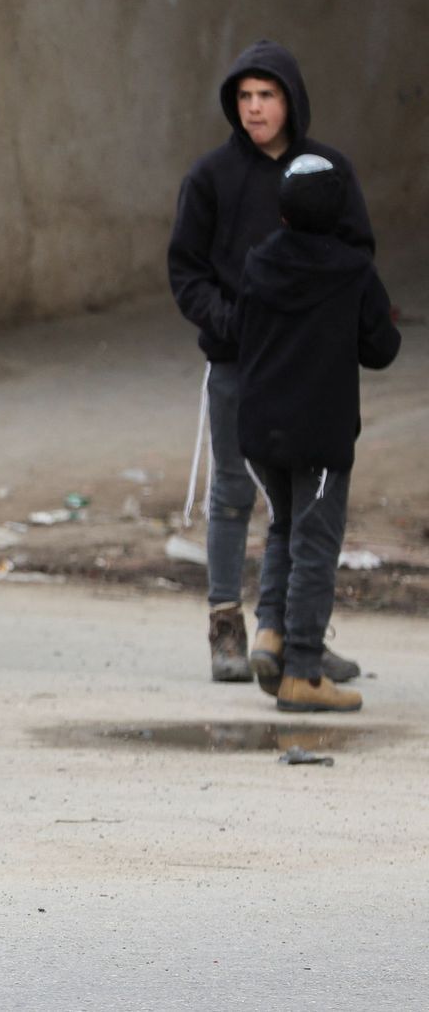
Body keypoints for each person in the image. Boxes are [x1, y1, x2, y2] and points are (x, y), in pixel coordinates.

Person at [167, 40, 374, 684]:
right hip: (236, 363)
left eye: (267, 96)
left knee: (306, 509)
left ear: (291, 100)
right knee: (232, 494)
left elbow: (358, 256)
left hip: (310, 371)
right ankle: (227, 627)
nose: (255, 109)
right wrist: (234, 325)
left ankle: (291, 634)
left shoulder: (327, 172)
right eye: (245, 97)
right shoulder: (210, 178)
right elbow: (187, 272)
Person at [235, 156, 399, 712]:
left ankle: (270, 634)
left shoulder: (258, 263)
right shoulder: (351, 270)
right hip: (320, 438)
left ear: (282, 210)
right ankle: (303, 671)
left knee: (283, 527)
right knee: (315, 545)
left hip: (260, 429)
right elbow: (383, 349)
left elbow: (237, 330)